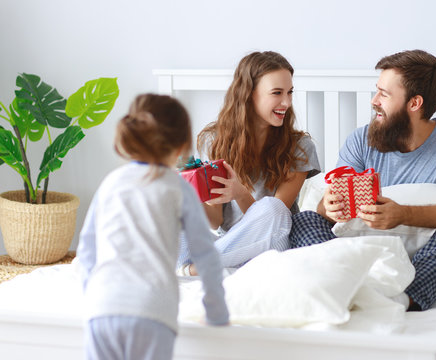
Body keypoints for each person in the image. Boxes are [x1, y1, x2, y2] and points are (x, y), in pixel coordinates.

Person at [289, 49, 436, 311]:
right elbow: (327, 211)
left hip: (427, 260)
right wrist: (329, 206)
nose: (374, 101)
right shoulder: (361, 139)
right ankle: (343, 286)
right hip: (364, 256)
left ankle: (400, 300)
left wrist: (402, 214)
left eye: (384, 94)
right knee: (305, 220)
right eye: (377, 91)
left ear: (414, 103)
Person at [77, 94, 229, 360]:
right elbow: (205, 255)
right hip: (151, 311)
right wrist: (216, 311)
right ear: (182, 146)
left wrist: (94, 295)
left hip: (101, 309)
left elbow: (87, 251)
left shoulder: (111, 183)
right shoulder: (178, 188)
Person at [178, 51, 320, 275]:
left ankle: (199, 266)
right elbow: (215, 221)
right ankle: (206, 263)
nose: (287, 102)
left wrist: (240, 194)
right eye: (277, 93)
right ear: (249, 94)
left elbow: (278, 217)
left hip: (274, 243)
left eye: (290, 92)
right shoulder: (214, 141)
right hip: (230, 244)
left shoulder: (300, 147)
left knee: (272, 208)